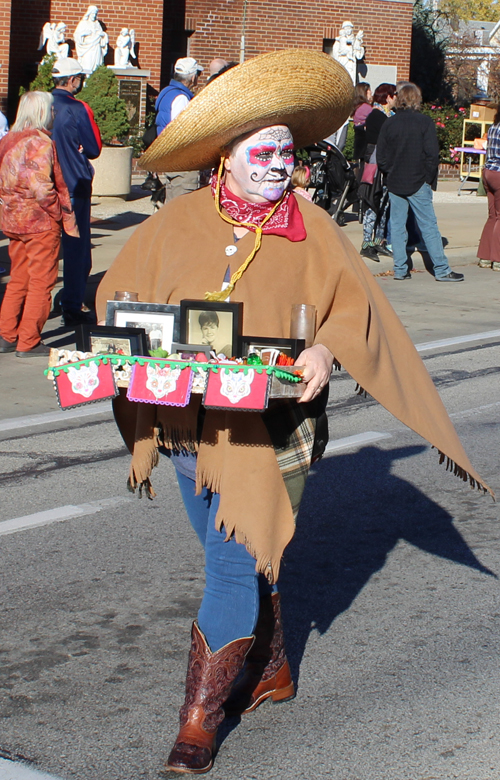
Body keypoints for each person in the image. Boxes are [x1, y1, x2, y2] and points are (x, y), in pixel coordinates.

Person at [95, 51, 489, 775]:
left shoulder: (311, 225)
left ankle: (197, 719)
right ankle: (272, 665)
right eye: (263, 152)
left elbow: (353, 306)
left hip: (272, 431)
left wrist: (326, 352)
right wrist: (134, 339)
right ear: (227, 158)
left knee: (229, 566)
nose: (280, 164)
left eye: (287, 151)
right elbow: (116, 300)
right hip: (184, 428)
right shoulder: (174, 223)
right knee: (236, 554)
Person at [0, 92, 78, 357]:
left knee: (18, 279)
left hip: (13, 220)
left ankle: (7, 335)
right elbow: (42, 189)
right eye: (52, 110)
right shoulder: (38, 143)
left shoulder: (9, 139)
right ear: (44, 113)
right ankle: (29, 341)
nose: (54, 114)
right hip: (39, 222)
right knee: (41, 283)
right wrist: (59, 212)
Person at [377, 83, 464, 281]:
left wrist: (390, 172)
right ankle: (441, 270)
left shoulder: (389, 123)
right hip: (418, 182)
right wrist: (427, 179)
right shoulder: (424, 122)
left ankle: (400, 270)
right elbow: (432, 155)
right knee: (429, 227)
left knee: (398, 228)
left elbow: (381, 157)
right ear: (416, 99)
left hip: (396, 182)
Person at [51, 57, 102, 326]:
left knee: (43, 249)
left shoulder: (39, 104)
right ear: (72, 80)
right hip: (73, 184)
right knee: (75, 249)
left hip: (44, 186)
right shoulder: (77, 108)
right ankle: (71, 304)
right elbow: (93, 148)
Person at [155, 57, 204, 202]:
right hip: (182, 160)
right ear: (193, 77)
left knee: (172, 205)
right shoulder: (182, 98)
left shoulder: (167, 92)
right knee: (183, 206)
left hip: (170, 156)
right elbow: (183, 131)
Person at [359, 83, 396, 262]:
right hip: (375, 165)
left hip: (387, 165)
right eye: (394, 94)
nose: (396, 98)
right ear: (388, 96)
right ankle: (367, 244)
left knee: (384, 204)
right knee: (373, 203)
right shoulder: (376, 115)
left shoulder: (390, 116)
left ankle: (378, 241)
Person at [477, 104, 500, 272]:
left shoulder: (493, 127)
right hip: (499, 173)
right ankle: (497, 258)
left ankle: (485, 256)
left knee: (492, 216)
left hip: (488, 171)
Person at [74, 5, 108, 74]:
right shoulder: (83, 23)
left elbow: (102, 34)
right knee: (87, 65)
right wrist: (83, 33)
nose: (94, 15)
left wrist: (103, 35)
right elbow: (76, 35)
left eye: (95, 14)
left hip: (96, 47)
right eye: (92, 13)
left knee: (96, 65)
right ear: (89, 13)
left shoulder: (97, 24)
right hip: (87, 48)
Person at [352, 81, 372, 162]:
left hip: (358, 140)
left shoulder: (357, 106)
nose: (371, 92)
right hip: (366, 140)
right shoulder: (367, 107)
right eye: (369, 90)